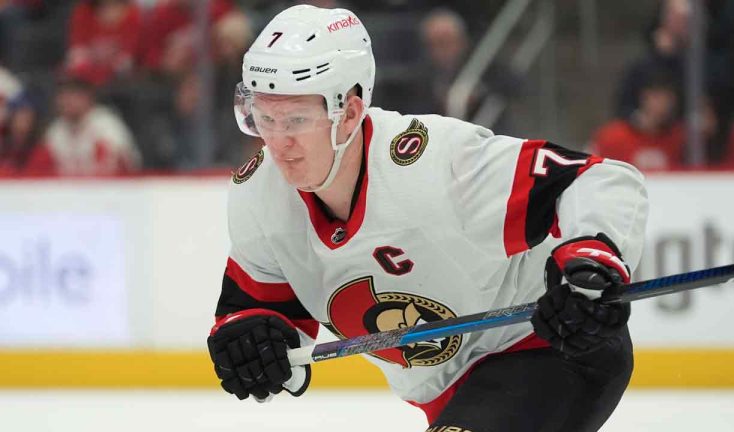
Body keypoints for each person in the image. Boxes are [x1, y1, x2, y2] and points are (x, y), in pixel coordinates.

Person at [206, 5, 648, 432]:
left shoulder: (438, 164)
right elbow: (260, 305)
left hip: (549, 347)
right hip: (449, 393)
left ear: (351, 113)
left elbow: (598, 179)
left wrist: (591, 268)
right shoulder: (259, 194)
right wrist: (254, 347)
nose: (278, 143)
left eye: (296, 119)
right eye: (264, 118)